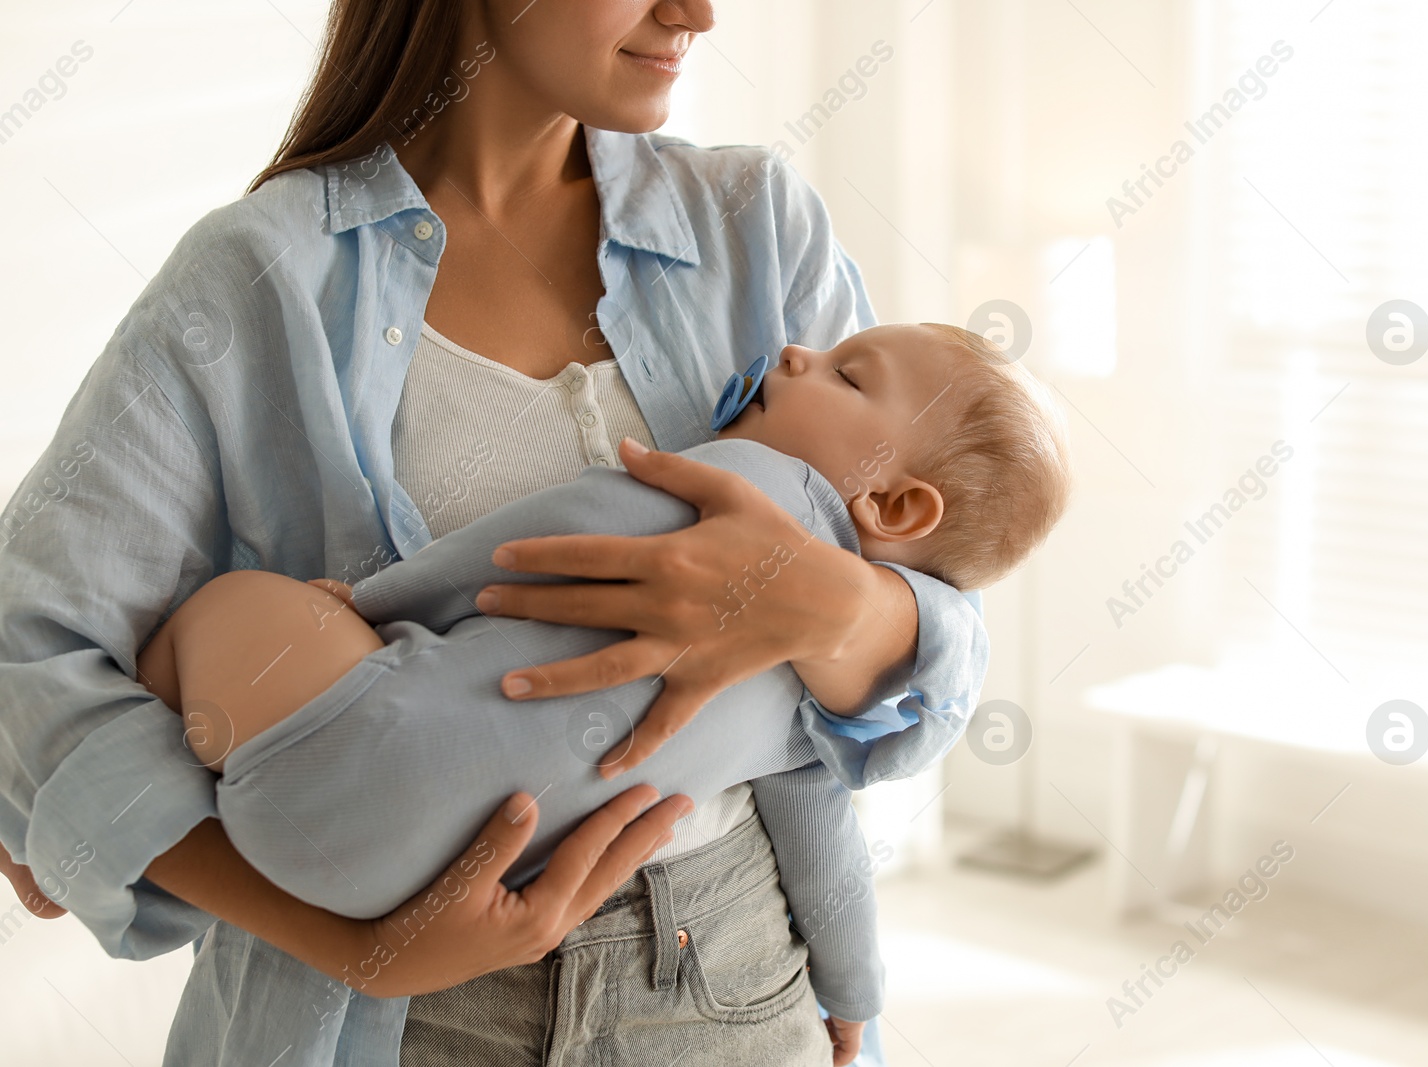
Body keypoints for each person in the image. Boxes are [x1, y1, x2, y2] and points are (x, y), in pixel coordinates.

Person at [0, 2, 990, 1065]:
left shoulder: (755, 226)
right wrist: (356, 945)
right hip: (382, 1018)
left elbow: (935, 610)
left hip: (730, 974)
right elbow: (29, 660)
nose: (696, 12)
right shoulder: (263, 276)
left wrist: (844, 603)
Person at [131, 323, 1070, 1062]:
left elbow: (537, 547)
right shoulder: (809, 712)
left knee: (226, 605)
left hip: (334, 761)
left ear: (895, 505)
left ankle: (161, 712)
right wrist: (854, 992)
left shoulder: (742, 481)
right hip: (404, 883)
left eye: (846, 374)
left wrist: (368, 608)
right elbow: (825, 850)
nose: (795, 349)